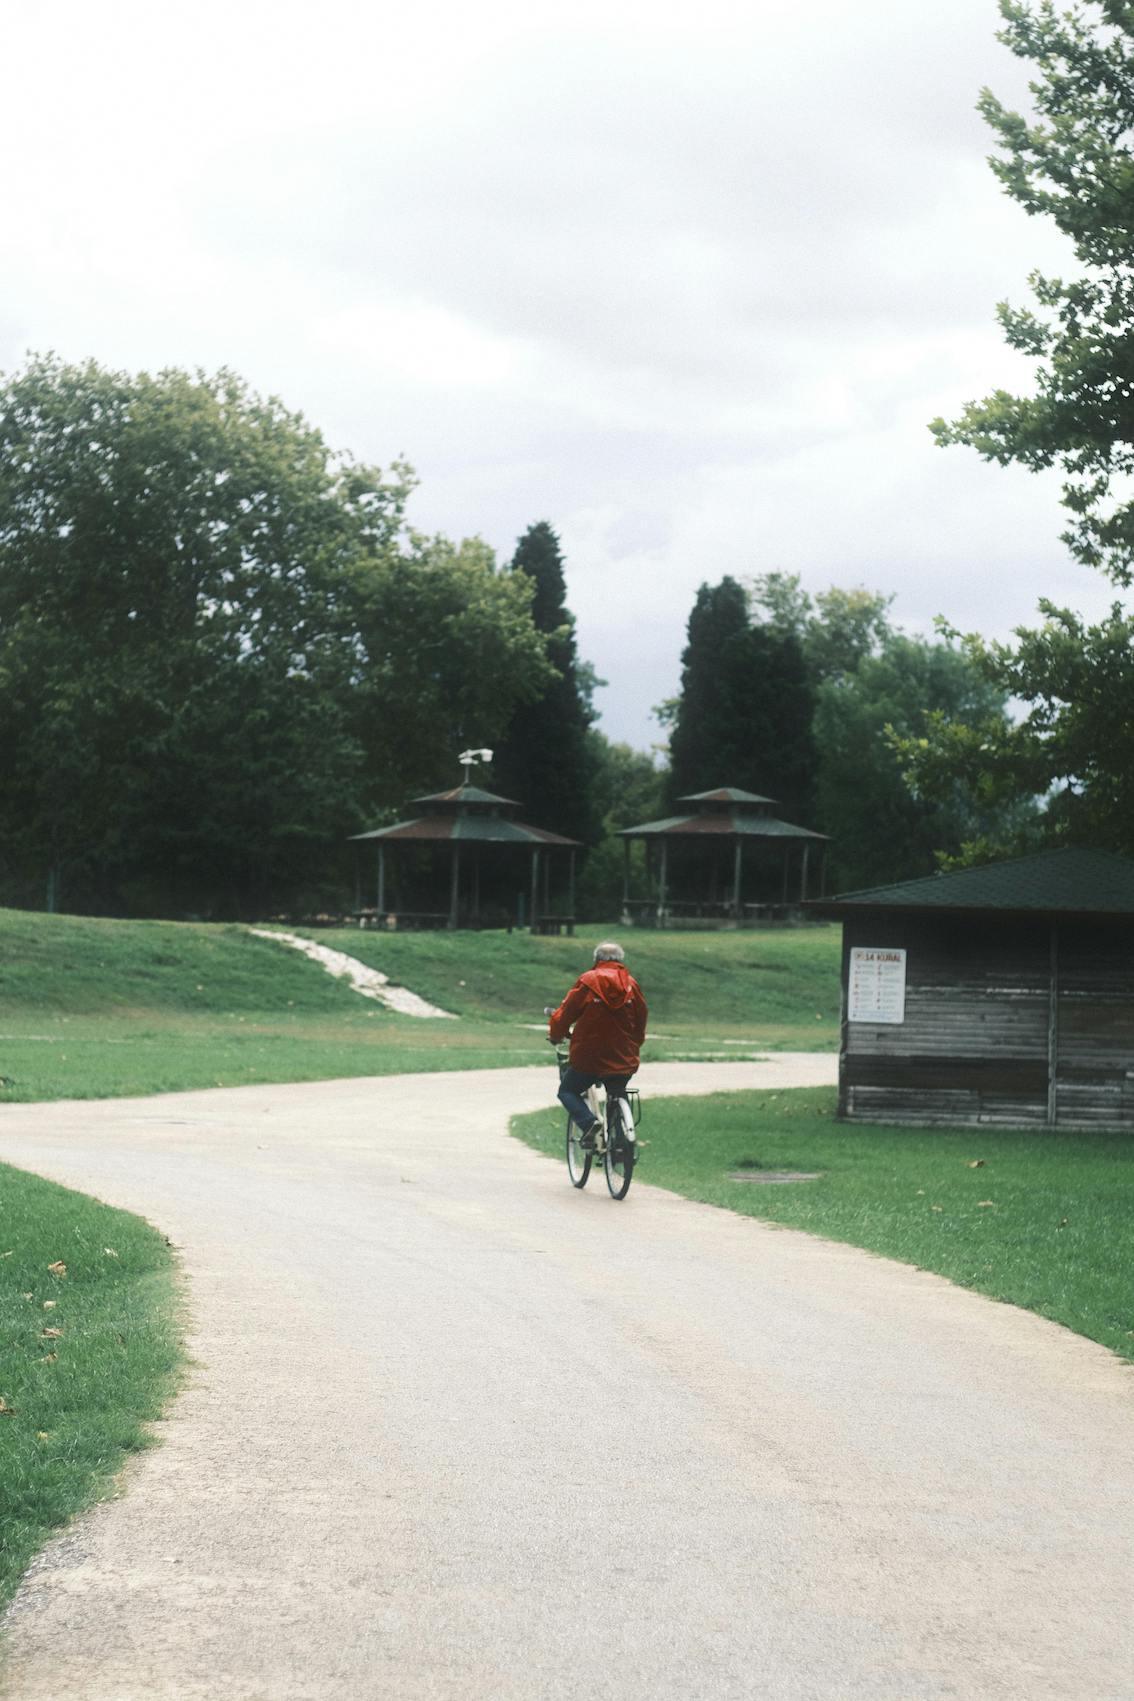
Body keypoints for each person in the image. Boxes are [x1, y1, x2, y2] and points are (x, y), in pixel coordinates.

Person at [547, 941, 648, 1148]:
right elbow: (641, 1018)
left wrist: (557, 1035)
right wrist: (634, 1043)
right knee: (617, 1090)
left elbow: (565, 1015)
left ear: (597, 960)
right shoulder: (631, 984)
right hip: (622, 1056)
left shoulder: (588, 981)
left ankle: (589, 1123)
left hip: (589, 1057)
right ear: (620, 961)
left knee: (567, 1091)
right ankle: (622, 1143)